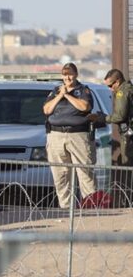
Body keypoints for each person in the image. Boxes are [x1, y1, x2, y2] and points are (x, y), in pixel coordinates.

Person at [43, 62, 97, 208]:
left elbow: (85, 107)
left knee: (85, 173)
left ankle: (90, 207)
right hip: (56, 135)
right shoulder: (55, 91)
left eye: (70, 74)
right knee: (60, 175)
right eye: (65, 74)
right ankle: (66, 208)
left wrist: (67, 95)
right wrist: (60, 95)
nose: (67, 77)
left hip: (77, 135)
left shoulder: (83, 90)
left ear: (76, 74)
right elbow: (47, 110)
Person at [104, 68, 133, 206]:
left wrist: (103, 118)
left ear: (118, 81)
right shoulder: (129, 88)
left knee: (127, 167)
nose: (110, 89)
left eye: (111, 85)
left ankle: (128, 201)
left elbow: (120, 116)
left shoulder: (122, 92)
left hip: (129, 136)